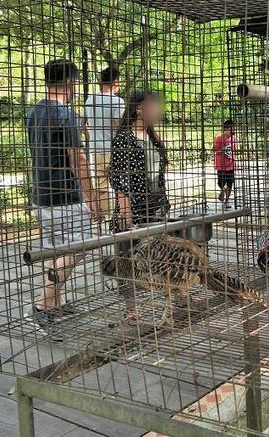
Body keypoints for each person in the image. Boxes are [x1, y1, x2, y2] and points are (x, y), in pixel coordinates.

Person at [25, 59, 99, 340]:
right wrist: (91, 197)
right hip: (65, 196)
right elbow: (77, 158)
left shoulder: (33, 112)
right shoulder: (66, 114)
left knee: (55, 250)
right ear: (70, 83)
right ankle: (43, 304)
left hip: (40, 195)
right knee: (81, 246)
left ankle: (58, 301)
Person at [109, 91, 170, 231]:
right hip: (136, 211)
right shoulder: (124, 140)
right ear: (139, 109)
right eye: (154, 107)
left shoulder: (153, 138)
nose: (158, 111)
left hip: (155, 209)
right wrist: (127, 217)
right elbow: (121, 183)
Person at [83, 66, 125, 217]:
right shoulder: (117, 101)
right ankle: (119, 217)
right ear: (115, 81)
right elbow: (119, 125)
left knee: (101, 185)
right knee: (121, 185)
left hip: (96, 149)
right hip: (113, 149)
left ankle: (105, 216)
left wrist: (92, 137)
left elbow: (84, 124)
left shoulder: (90, 99)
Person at [214, 119, 236, 209]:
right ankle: (223, 191)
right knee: (220, 183)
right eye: (232, 128)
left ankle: (226, 201)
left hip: (231, 164)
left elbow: (233, 149)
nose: (234, 130)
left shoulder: (233, 138)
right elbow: (214, 149)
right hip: (221, 165)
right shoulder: (219, 138)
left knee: (230, 183)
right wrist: (221, 151)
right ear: (227, 128)